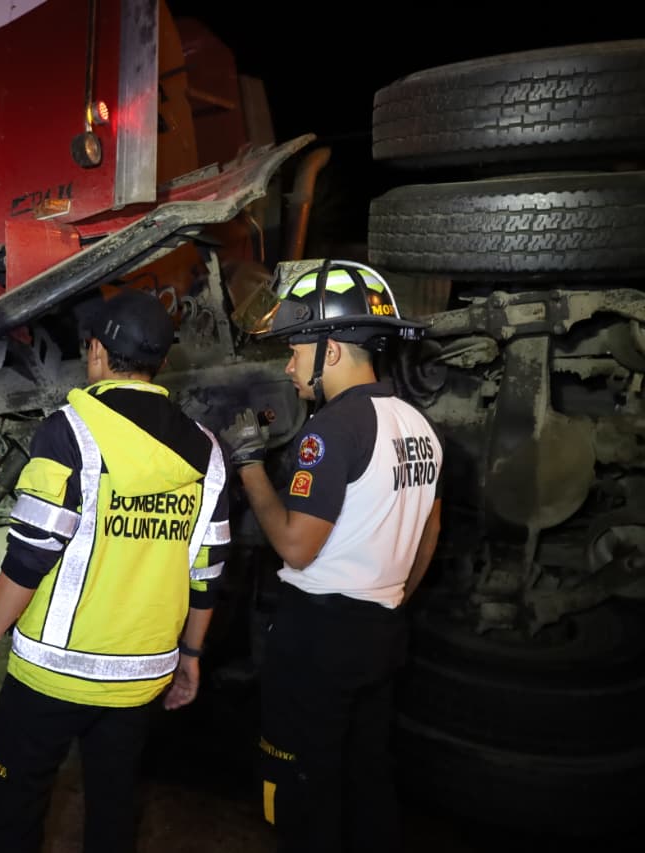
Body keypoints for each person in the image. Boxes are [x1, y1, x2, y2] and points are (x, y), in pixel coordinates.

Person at [0, 287, 232, 853]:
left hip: (51, 675)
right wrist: (192, 657)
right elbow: (207, 570)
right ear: (158, 362)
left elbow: (29, 556)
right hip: (140, 677)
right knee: (113, 806)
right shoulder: (206, 451)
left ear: (101, 355)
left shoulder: (70, 433)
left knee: (14, 807)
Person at [220, 259, 443, 853]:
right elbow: (428, 530)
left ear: (333, 352)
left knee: (300, 787)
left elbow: (295, 543)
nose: (289, 365)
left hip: (319, 638)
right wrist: (388, 597)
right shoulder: (417, 424)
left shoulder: (333, 430)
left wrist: (248, 466)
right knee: (366, 775)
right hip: (382, 629)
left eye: (297, 350)